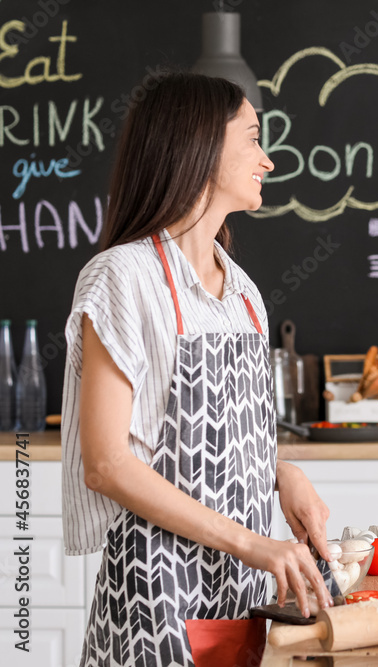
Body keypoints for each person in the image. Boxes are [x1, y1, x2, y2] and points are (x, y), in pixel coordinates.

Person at [61, 72, 334, 667]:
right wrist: (254, 543)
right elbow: (107, 464)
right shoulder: (121, 279)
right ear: (202, 149)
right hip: (157, 595)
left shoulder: (243, 293)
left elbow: (204, 444)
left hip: (243, 592)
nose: (267, 161)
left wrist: (278, 472)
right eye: (254, 140)